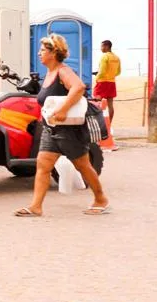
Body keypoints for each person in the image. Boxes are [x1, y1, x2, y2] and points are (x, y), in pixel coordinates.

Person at [15, 34, 110, 217]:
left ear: (53, 53)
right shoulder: (49, 74)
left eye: (43, 50)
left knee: (83, 165)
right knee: (43, 166)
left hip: (69, 130)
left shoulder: (63, 71)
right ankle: (36, 206)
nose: (39, 53)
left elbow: (79, 87)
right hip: (51, 129)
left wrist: (64, 110)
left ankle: (101, 198)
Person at [93, 39, 121, 125]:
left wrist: (96, 78)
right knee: (110, 105)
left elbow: (102, 71)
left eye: (102, 46)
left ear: (107, 46)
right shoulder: (116, 57)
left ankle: (97, 123)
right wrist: (110, 76)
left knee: (96, 103)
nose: (101, 48)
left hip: (102, 82)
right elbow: (118, 72)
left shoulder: (105, 57)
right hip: (111, 83)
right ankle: (109, 124)